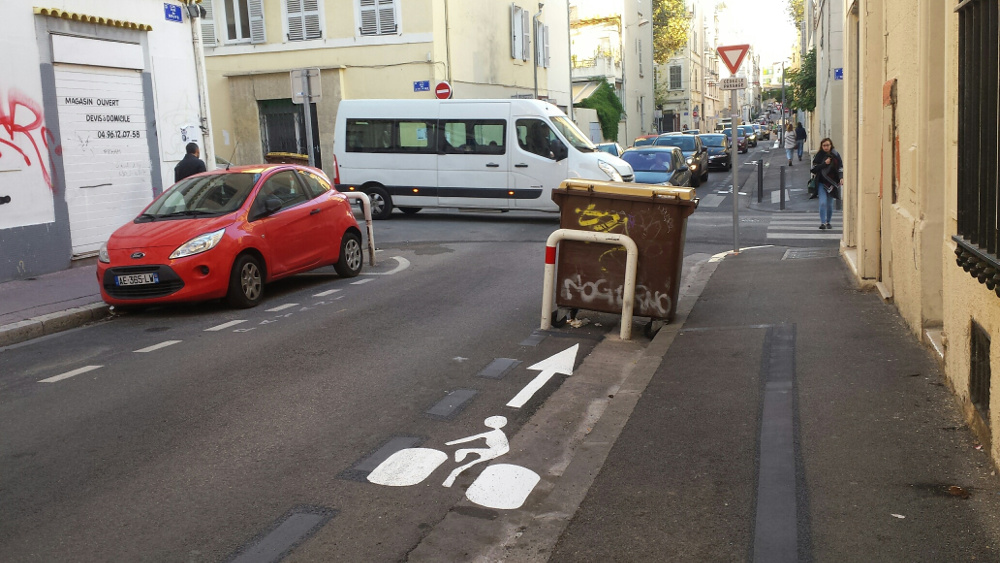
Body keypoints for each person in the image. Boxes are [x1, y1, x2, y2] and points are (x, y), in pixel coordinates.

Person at [810, 137, 844, 230]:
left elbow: (840, 167)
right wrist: (824, 164)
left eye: (827, 145)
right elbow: (813, 169)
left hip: (832, 183)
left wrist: (841, 177)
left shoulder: (835, 154)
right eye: (824, 145)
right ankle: (823, 222)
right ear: (821, 146)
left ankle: (828, 221)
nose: (826, 147)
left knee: (829, 204)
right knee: (822, 203)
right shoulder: (819, 155)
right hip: (821, 182)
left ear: (831, 145)